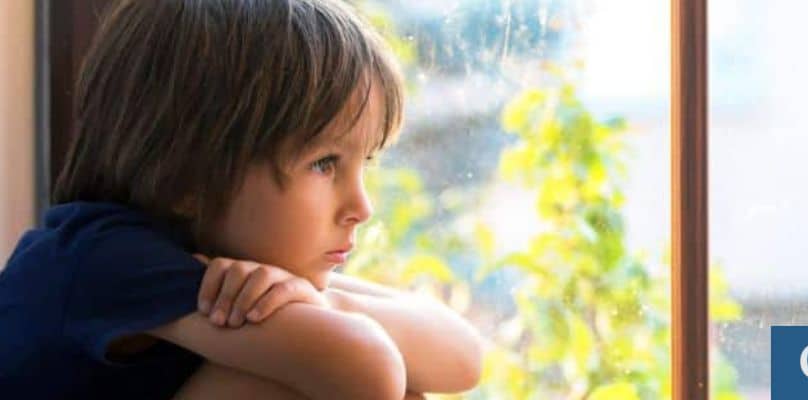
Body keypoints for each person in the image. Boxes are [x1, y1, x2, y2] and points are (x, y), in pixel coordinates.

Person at [0, 0, 484, 399]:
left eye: (367, 163)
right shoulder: (102, 259)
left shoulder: (237, 253)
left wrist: (309, 296)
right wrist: (318, 301)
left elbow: (462, 357)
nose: (361, 205)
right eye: (324, 164)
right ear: (187, 178)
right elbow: (368, 371)